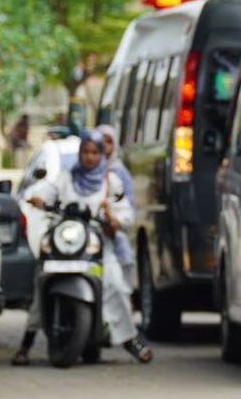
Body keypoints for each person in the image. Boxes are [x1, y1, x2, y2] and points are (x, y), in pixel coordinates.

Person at [11, 130, 152, 366]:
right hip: (65, 243)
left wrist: (114, 218)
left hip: (97, 247)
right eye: (85, 152)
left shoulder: (110, 182)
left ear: (102, 155)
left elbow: (125, 211)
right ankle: (26, 344)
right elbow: (45, 191)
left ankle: (129, 339)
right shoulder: (66, 177)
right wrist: (36, 198)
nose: (89, 157)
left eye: (94, 152)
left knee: (115, 284)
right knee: (41, 280)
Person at [97, 124, 137, 273]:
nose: (105, 146)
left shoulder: (116, 173)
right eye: (102, 141)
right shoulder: (79, 174)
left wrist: (114, 218)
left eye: (109, 142)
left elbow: (127, 203)